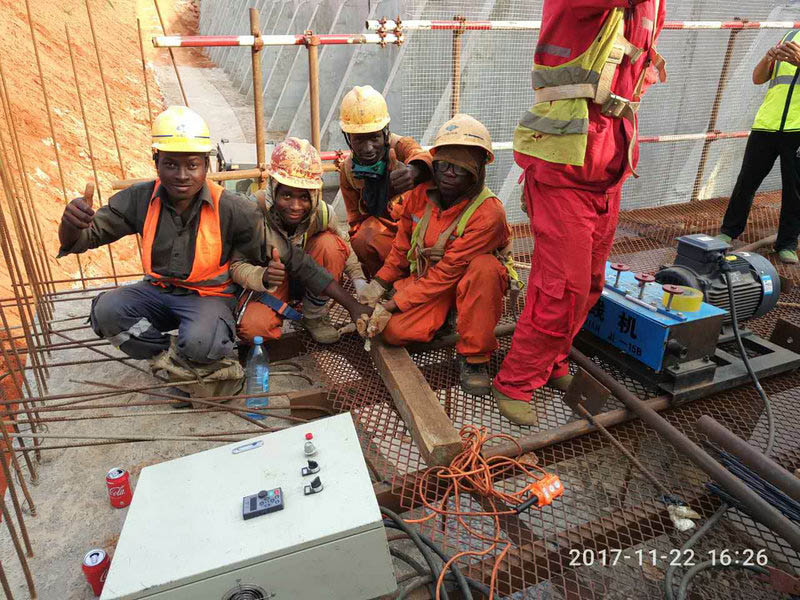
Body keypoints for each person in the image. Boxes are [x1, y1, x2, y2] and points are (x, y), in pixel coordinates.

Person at [492, 0, 667, 425]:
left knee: (589, 283)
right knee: (561, 288)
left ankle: (551, 360)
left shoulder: (653, 6)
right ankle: (516, 382)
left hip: (607, 168)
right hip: (565, 168)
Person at [57, 106, 263, 398]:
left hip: (208, 298)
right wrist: (70, 225)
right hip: (157, 292)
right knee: (107, 312)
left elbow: (267, 255)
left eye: (192, 165)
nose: (182, 175)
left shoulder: (232, 207)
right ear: (156, 163)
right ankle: (170, 357)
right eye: (171, 164)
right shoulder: (141, 198)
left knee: (201, 343)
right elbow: (84, 238)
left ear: (206, 165)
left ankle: (196, 351)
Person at [359, 114, 516, 396]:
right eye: (444, 164)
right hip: (431, 281)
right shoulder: (420, 193)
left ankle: (475, 357)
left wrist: (394, 304)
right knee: (392, 332)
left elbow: (448, 272)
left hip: (465, 282)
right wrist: (379, 284)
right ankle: (446, 318)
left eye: (461, 167)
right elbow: (402, 246)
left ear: (478, 171)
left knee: (486, 268)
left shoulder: (488, 213)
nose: (449, 173)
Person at [231, 137, 373, 344]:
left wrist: (359, 282)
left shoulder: (322, 214)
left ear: (314, 195)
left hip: (311, 278)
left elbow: (346, 247)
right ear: (273, 188)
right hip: (271, 282)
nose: (296, 206)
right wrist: (262, 276)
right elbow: (236, 266)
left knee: (330, 245)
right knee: (254, 331)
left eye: (304, 197)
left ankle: (314, 316)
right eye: (287, 196)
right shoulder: (254, 213)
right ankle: (275, 311)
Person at [718, 31, 800, 264]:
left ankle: (787, 244)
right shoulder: (791, 35)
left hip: (797, 128)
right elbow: (758, 78)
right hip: (766, 124)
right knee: (746, 180)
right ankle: (728, 231)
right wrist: (768, 58)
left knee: (794, 189)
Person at [339, 85, 433, 278]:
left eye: (374, 138)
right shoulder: (349, 171)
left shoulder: (401, 147)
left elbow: (422, 156)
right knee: (362, 239)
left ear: (385, 132)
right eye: (359, 140)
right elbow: (355, 221)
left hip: (417, 233)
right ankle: (387, 282)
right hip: (387, 239)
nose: (368, 148)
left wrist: (414, 171)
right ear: (348, 138)